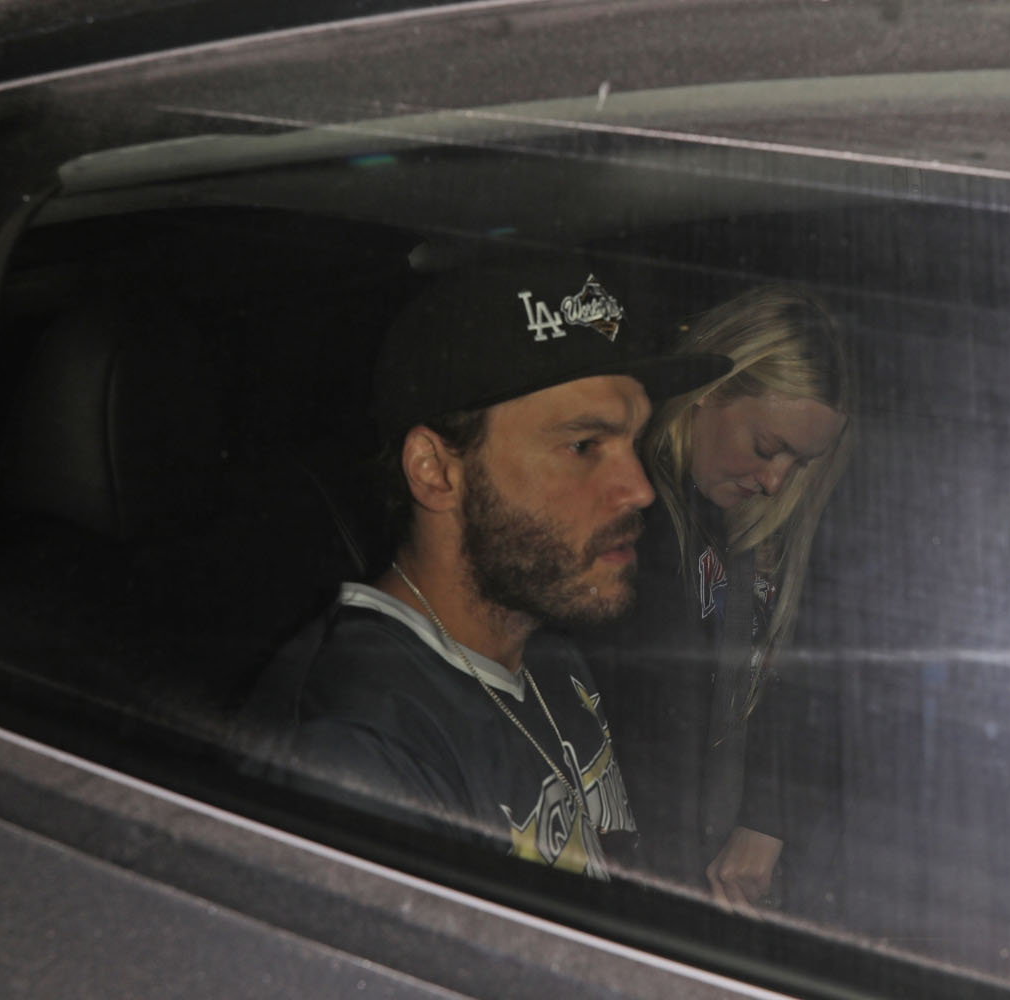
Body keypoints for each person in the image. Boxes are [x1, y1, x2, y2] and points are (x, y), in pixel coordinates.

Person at [241, 262, 729, 879]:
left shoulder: (540, 638)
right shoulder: (356, 749)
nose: (640, 489)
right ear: (435, 471)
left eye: (634, 442)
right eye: (583, 446)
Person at [584, 285, 855, 905]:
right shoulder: (629, 517)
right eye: (767, 448)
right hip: (645, 877)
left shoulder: (784, 528)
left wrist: (769, 812)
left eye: (800, 462)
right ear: (708, 390)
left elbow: (825, 678)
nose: (777, 480)